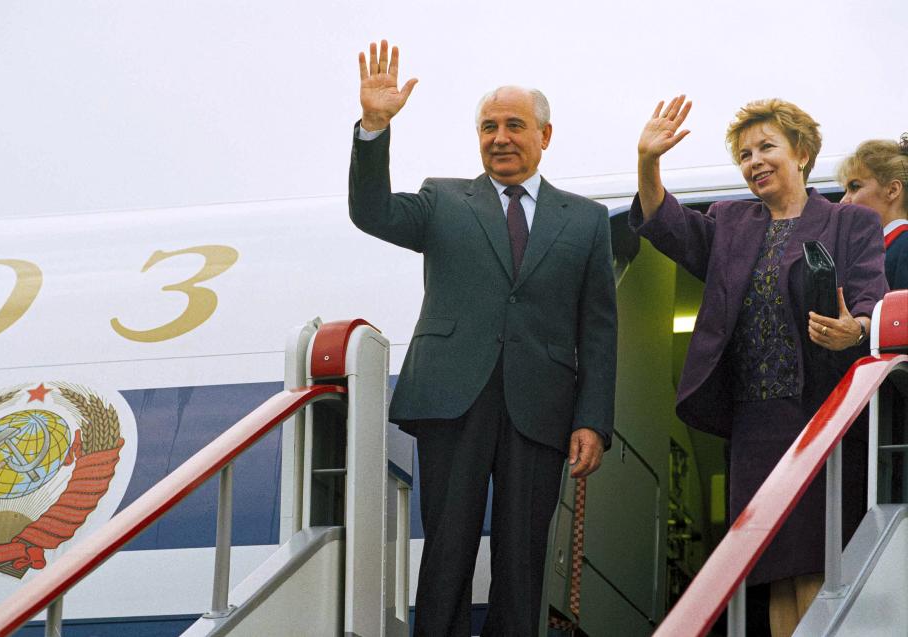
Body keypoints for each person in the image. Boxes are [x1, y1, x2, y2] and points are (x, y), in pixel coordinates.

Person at [348, 40, 617, 636]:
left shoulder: (586, 220)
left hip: (541, 406)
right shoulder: (443, 199)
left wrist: (593, 419)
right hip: (453, 399)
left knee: (523, 557)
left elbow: (598, 330)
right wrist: (373, 129)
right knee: (448, 547)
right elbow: (371, 213)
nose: (500, 137)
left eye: (514, 125)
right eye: (488, 126)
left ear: (545, 135)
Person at [631, 96, 887, 637]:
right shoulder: (728, 223)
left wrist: (854, 329)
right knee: (770, 574)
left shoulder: (851, 222)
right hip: (754, 427)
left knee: (819, 569)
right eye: (745, 154)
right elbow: (664, 222)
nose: (754, 162)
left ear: (803, 152)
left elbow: (872, 300)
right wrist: (648, 162)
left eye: (767, 147)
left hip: (823, 421)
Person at [837, 135, 908, 289]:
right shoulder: (873, 249)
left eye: (854, 187)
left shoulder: (903, 247)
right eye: (845, 190)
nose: (843, 201)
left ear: (892, 190)